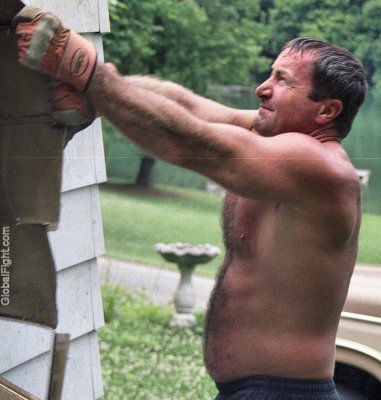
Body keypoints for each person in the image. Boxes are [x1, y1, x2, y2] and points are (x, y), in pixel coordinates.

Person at [12, 7, 368, 399]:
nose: (261, 89)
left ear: (327, 110)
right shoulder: (269, 133)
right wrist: (97, 89)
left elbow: (190, 141)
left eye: (282, 81)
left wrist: (87, 72)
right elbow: (186, 105)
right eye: (269, 74)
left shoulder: (323, 170)